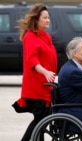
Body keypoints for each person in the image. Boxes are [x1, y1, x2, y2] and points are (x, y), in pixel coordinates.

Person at [11, 3, 58, 141]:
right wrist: (45, 73)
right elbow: (32, 60)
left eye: (48, 17)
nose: (47, 20)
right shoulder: (30, 36)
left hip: (46, 85)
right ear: (36, 19)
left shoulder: (46, 36)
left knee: (41, 122)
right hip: (36, 88)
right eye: (44, 18)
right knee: (40, 120)